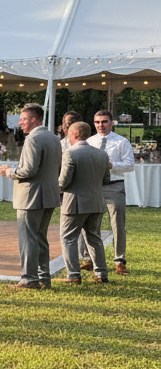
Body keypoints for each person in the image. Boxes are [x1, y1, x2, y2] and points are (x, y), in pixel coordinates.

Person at [0, 104, 62, 290]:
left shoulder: (33, 139)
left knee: (28, 239)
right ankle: (43, 278)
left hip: (31, 196)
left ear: (35, 119)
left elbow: (29, 170)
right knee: (40, 238)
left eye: (23, 119)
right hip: (49, 195)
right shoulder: (53, 138)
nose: (20, 123)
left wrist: (10, 172)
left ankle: (29, 279)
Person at [57, 121, 112, 285]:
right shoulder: (102, 154)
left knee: (68, 238)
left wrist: (53, 188)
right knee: (94, 239)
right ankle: (101, 274)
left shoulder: (70, 153)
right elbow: (106, 179)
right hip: (96, 202)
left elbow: (64, 181)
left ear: (74, 134)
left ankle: (73, 275)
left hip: (74, 203)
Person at [84, 110, 133, 275]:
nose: (100, 125)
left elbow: (130, 165)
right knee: (91, 224)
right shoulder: (89, 141)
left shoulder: (121, 142)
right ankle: (91, 259)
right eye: (97, 122)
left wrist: (111, 165)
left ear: (111, 123)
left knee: (117, 225)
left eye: (104, 122)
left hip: (114, 186)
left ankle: (120, 261)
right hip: (93, 186)